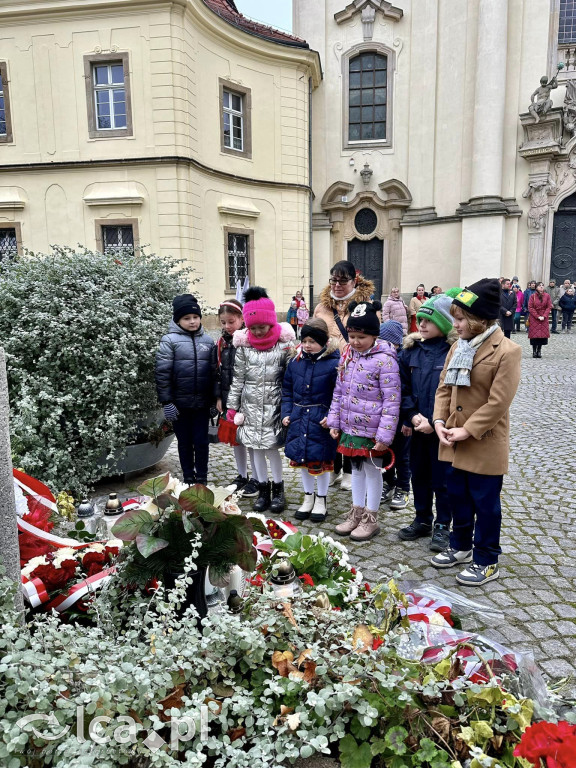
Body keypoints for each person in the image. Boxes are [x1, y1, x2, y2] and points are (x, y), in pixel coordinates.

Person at [431, 278, 522, 586]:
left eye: (460, 318)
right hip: (452, 439)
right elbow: (444, 388)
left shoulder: (507, 351)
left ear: (480, 319)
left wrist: (467, 430)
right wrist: (439, 422)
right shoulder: (457, 346)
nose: (454, 325)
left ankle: (486, 559)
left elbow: (498, 403)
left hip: (483, 442)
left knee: (485, 504)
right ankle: (460, 546)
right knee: (457, 497)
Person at [327, 302, 400, 542]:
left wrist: (384, 436)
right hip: (351, 426)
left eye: (362, 337)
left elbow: (391, 401)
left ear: (374, 335)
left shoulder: (385, 360)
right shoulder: (348, 356)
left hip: (373, 430)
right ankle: (356, 512)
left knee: (372, 471)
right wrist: (334, 421)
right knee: (355, 470)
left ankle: (371, 517)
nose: (356, 341)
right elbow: (339, 391)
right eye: (352, 336)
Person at [397, 290, 459, 553]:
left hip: (442, 429)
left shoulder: (453, 352)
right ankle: (422, 518)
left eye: (428, 320)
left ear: (444, 324)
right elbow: (403, 388)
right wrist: (411, 415)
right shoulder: (411, 351)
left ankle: (444, 524)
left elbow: (453, 392)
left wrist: (436, 422)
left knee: (442, 479)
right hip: (418, 425)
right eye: (420, 319)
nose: (420, 324)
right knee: (419, 475)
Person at [226, 287, 295, 513]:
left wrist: (289, 406)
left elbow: (291, 378)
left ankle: (278, 489)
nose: (257, 331)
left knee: (272, 448)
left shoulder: (284, 346)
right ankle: (263, 488)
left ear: (272, 323)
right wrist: (232, 407)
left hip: (274, 406)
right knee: (254, 449)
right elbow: (238, 379)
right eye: (252, 327)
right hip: (250, 407)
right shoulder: (244, 348)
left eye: (261, 327)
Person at [314, 259, 375, 491]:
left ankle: (351, 470)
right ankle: (333, 467)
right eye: (333, 280)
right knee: (330, 421)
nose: (337, 285)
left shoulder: (364, 304)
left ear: (354, 281)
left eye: (342, 281)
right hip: (328, 371)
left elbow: (371, 336)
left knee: (351, 421)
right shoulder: (322, 307)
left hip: (354, 370)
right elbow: (314, 334)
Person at [281, 318, 340, 523]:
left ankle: (321, 499)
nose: (307, 345)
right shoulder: (295, 362)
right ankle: (308, 496)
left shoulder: (334, 363)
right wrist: (286, 412)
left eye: (312, 341)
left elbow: (338, 394)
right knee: (303, 461)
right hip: (298, 418)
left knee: (321, 461)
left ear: (323, 342)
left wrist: (332, 417)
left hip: (320, 420)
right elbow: (287, 390)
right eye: (304, 341)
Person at [155, 294, 215, 485]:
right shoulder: (169, 340)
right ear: (178, 320)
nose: (192, 321)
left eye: (195, 317)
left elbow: (214, 373)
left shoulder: (208, 341)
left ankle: (202, 476)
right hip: (179, 404)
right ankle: (188, 475)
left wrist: (214, 399)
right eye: (186, 318)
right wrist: (167, 402)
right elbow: (162, 372)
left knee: (202, 441)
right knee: (185, 442)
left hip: (202, 403)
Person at [214, 299, 258, 497]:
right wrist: (218, 397)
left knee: (249, 439)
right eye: (223, 322)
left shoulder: (250, 341)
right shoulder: (221, 343)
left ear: (242, 319)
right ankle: (242, 475)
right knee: (236, 439)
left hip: (248, 399)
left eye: (231, 322)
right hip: (228, 398)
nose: (227, 326)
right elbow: (217, 372)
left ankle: (257, 478)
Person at [379, 320, 411, 510]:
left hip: (402, 417)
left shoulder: (403, 360)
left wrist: (408, 418)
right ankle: (388, 483)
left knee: (403, 455)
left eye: (387, 341)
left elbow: (408, 390)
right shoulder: (379, 358)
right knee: (383, 452)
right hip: (383, 417)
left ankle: (403, 488)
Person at [528, 281, 552, 358]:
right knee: (534, 335)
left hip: (544, 317)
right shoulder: (533, 296)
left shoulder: (547, 296)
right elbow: (530, 307)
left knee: (542, 335)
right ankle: (534, 351)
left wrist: (544, 316)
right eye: (539, 286)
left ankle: (539, 350)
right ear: (536, 287)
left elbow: (549, 307)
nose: (541, 287)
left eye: (542, 285)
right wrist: (537, 316)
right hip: (534, 317)